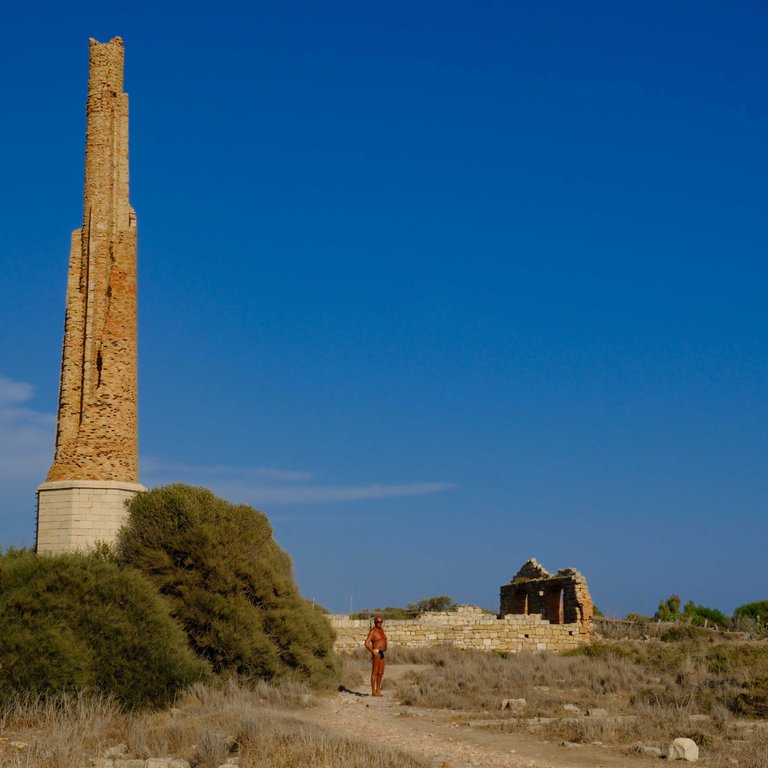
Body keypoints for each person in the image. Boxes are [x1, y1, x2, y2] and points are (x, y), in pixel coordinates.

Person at [364, 615, 388, 696]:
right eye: (378, 622)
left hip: (382, 653)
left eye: (381, 621)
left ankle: (378, 690)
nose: (380, 623)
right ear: (374, 622)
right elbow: (366, 643)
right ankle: (373, 691)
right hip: (376, 652)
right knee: (375, 672)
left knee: (381, 673)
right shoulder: (373, 631)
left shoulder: (381, 630)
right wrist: (373, 652)